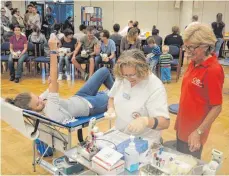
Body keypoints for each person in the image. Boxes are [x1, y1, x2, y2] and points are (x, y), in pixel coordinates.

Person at [5, 37, 114, 123]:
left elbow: (51, 86)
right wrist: (53, 51)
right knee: (113, 95)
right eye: (38, 104)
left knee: (104, 71)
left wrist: (51, 84)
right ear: (32, 112)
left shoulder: (40, 102)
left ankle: (115, 90)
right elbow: (54, 77)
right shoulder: (50, 111)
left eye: (38, 98)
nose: (41, 101)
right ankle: (117, 92)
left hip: (79, 96)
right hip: (90, 106)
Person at [175, 24, 224, 159]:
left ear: (205, 46)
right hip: (182, 125)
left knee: (188, 168)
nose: (188, 51)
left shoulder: (213, 70)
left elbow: (217, 107)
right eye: (186, 47)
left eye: (191, 47)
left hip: (194, 132)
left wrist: (198, 132)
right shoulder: (194, 62)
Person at [105, 49, 170, 142]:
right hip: (120, 134)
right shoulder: (122, 77)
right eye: (125, 75)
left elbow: (165, 122)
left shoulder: (155, 86)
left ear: (143, 69)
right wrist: (110, 108)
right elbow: (112, 97)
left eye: (132, 75)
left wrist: (145, 121)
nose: (128, 79)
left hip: (144, 140)